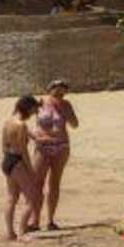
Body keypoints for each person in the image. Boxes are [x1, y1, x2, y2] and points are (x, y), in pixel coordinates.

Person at [30, 80, 79, 230]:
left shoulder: (66, 105)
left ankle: (50, 220)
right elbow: (27, 122)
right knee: (37, 182)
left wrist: (66, 112)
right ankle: (35, 220)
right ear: (49, 90)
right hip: (43, 146)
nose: (59, 94)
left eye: (62, 92)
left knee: (55, 182)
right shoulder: (40, 103)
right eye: (56, 91)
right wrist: (35, 136)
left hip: (61, 146)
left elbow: (75, 125)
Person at [1, 95, 42, 241]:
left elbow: (5, 144)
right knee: (32, 197)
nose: (34, 112)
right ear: (28, 109)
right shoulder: (22, 126)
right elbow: (23, 150)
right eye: (33, 109)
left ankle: (10, 232)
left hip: (7, 160)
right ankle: (22, 232)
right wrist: (30, 169)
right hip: (17, 161)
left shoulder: (8, 121)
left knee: (12, 197)